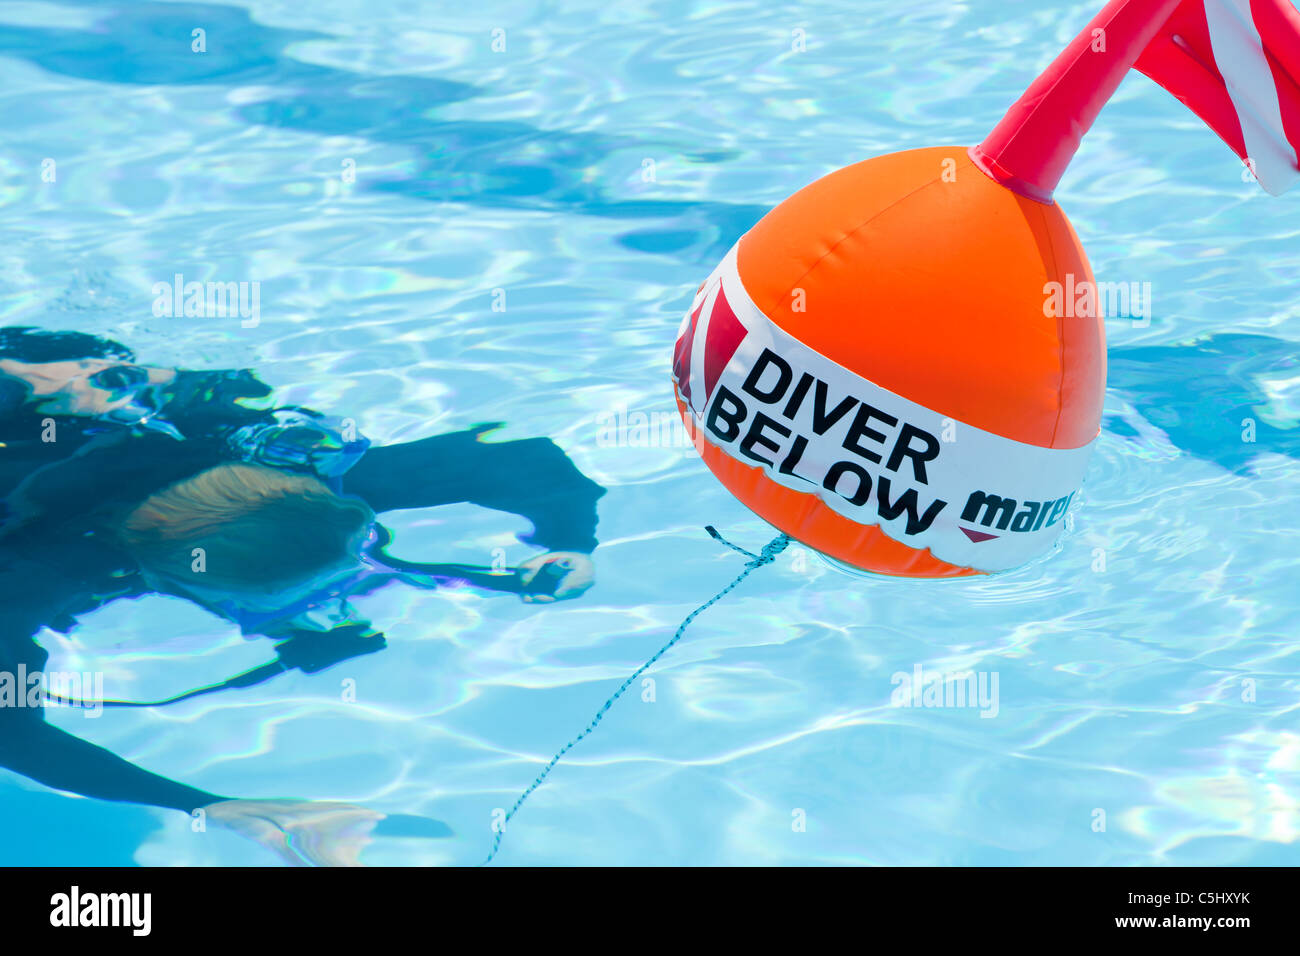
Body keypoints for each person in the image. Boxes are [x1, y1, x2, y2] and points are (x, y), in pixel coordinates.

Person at [0, 326, 605, 864]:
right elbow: (9, 733)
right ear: (177, 576)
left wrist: (573, 543)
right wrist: (219, 807)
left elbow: (524, 461)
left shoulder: (310, 478)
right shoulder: (40, 573)